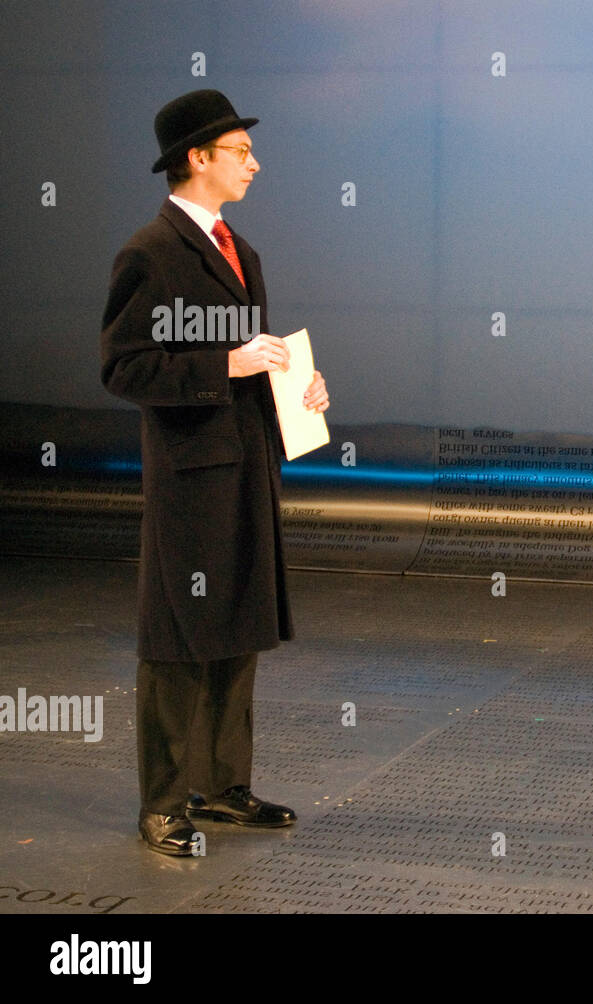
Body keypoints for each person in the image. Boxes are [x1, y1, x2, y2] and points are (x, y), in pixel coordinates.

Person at [100, 89, 330, 854]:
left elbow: (248, 360)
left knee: (237, 624)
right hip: (192, 474)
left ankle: (224, 787)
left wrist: (291, 386)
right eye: (239, 151)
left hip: (243, 463)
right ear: (197, 158)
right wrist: (224, 363)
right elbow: (125, 368)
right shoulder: (151, 252)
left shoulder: (241, 250)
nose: (253, 163)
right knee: (176, 637)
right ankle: (164, 801)